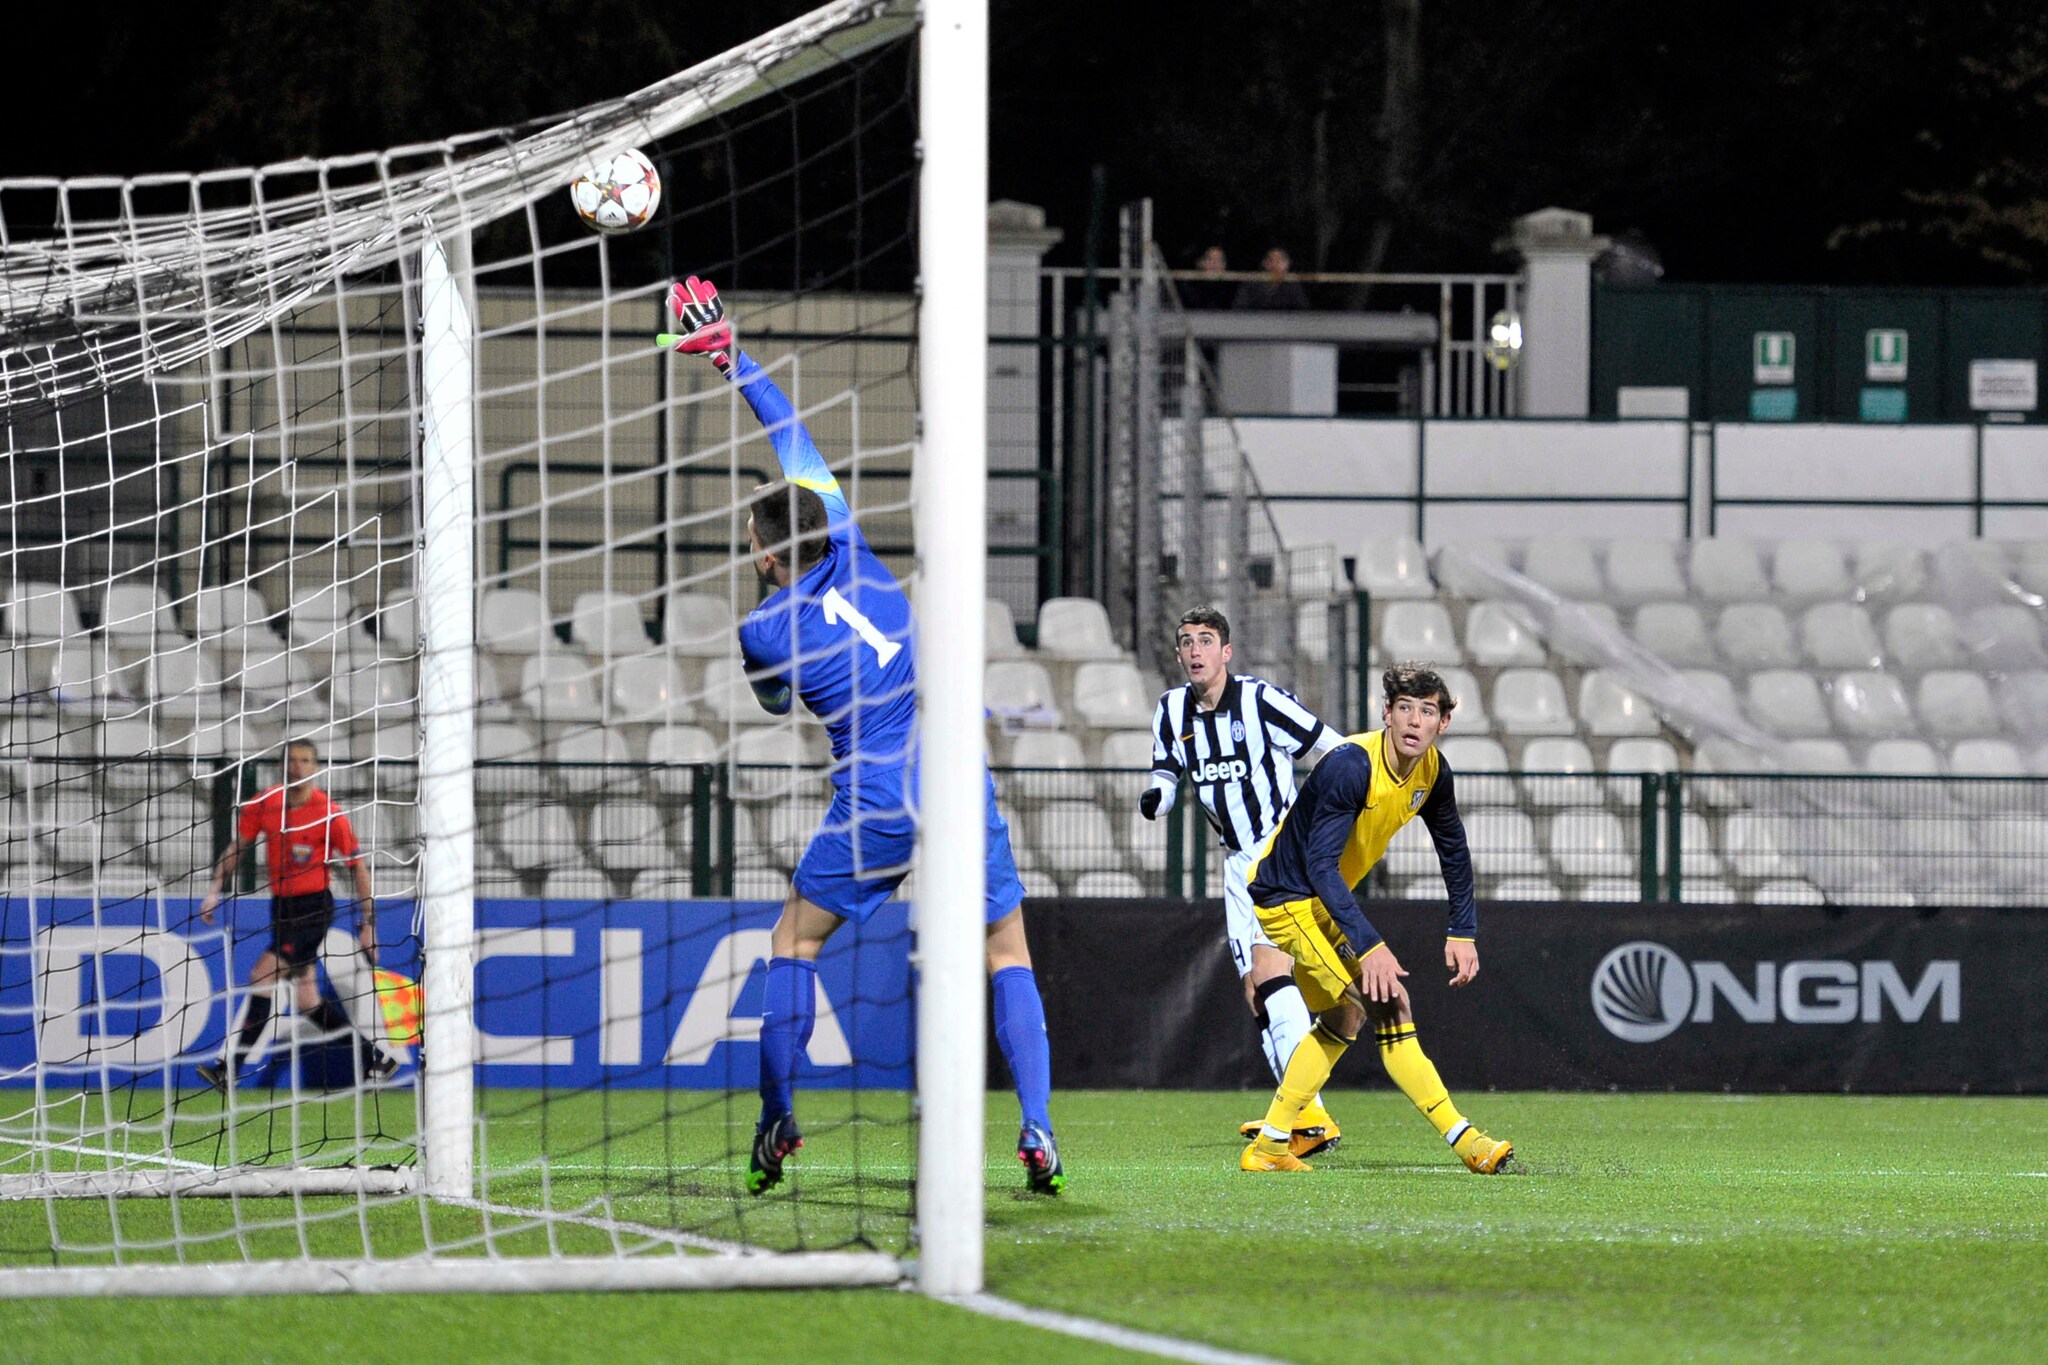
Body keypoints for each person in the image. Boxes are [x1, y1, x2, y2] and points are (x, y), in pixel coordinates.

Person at [662, 276, 1065, 1197]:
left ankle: (776, 1117)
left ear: (767, 553)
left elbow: (774, 703)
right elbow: (790, 437)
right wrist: (734, 358)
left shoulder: (763, 627)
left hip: (876, 792)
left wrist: (771, 603)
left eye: (752, 538)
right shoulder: (849, 536)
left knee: (794, 942)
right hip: (952, 770)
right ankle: (1038, 1126)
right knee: (1007, 951)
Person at [1238, 663, 1512, 1174]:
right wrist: (1369, 946)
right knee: (1379, 1003)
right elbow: (1319, 867)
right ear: (1387, 713)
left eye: (1426, 711)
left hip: (1321, 901)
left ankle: (1271, 1147)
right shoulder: (1351, 766)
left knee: (1348, 1016)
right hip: (1288, 898)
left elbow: (1453, 850)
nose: (1414, 721)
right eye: (1404, 708)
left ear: (1443, 723)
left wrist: (1463, 930)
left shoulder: (1433, 772)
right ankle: (1468, 1142)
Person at [1139, 607, 1345, 1158]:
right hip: (1235, 863)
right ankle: (1300, 1112)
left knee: (1270, 970)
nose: (1195, 650)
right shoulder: (1171, 709)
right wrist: (1157, 797)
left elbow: (1330, 744)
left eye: (1206, 640)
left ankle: (1307, 1115)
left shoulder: (1259, 701)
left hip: (1280, 852)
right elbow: (1166, 771)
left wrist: (1341, 812)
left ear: (1226, 651)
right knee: (1255, 988)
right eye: (1187, 642)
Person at [196, 739, 395, 1091]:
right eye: (292, 760)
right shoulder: (265, 803)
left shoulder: (329, 813)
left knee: (261, 976)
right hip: (281, 909)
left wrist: (368, 925)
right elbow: (238, 847)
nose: (297, 767)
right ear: (282, 766)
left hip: (314, 908)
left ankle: (229, 1069)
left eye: (305, 761)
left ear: (315, 768)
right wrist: (215, 889)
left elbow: (358, 868)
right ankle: (377, 1058)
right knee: (308, 1003)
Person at [1231, 247, 1311, 312]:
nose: (1275, 264)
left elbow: (1303, 311)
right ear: (1264, 263)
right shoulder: (1251, 283)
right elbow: (1239, 308)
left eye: (1280, 260)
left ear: (1287, 264)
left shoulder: (1293, 285)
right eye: (1271, 260)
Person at [1180, 245, 1235, 310]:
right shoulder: (1189, 285)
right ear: (1200, 263)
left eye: (1219, 260)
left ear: (1225, 265)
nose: (1215, 264)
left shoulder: (1233, 287)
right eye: (1210, 259)